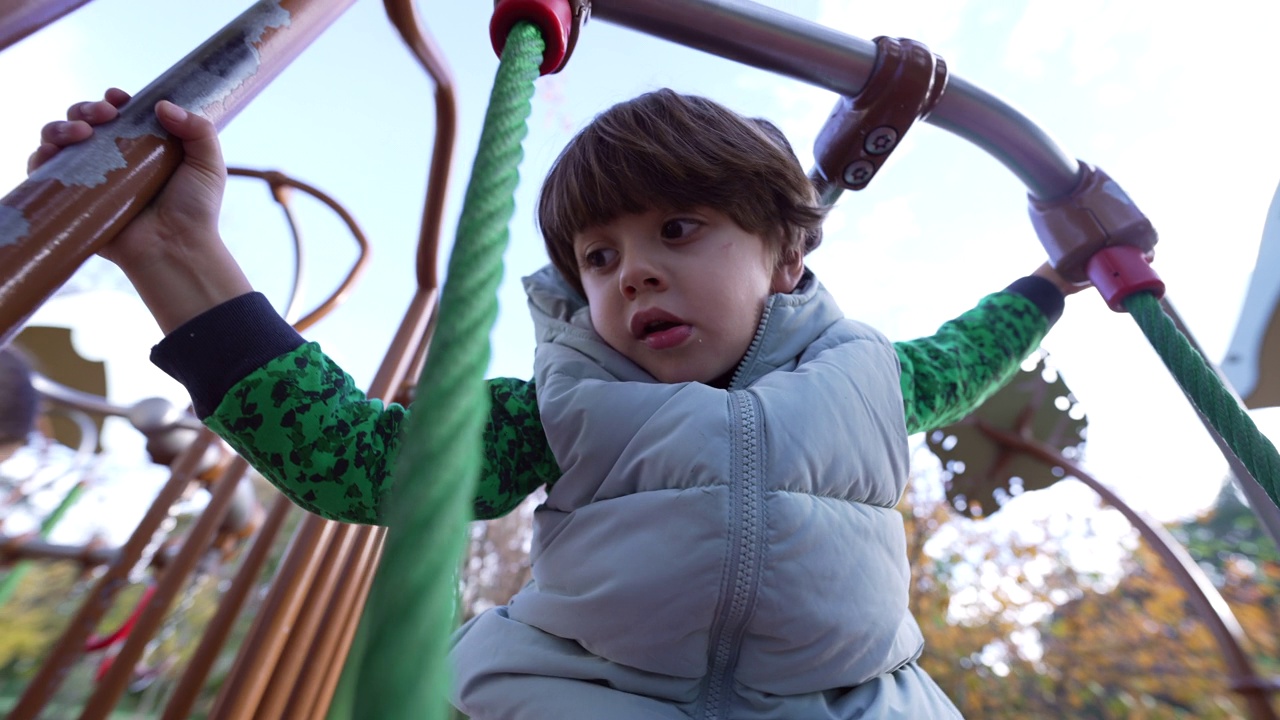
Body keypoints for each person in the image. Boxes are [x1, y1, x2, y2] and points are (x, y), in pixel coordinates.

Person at [32, 86, 1083, 718]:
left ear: (785, 250)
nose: (630, 274)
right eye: (598, 254)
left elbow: (969, 348)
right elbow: (355, 461)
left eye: (677, 230)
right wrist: (181, 255)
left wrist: (1058, 279)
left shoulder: (867, 378)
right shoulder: (565, 403)